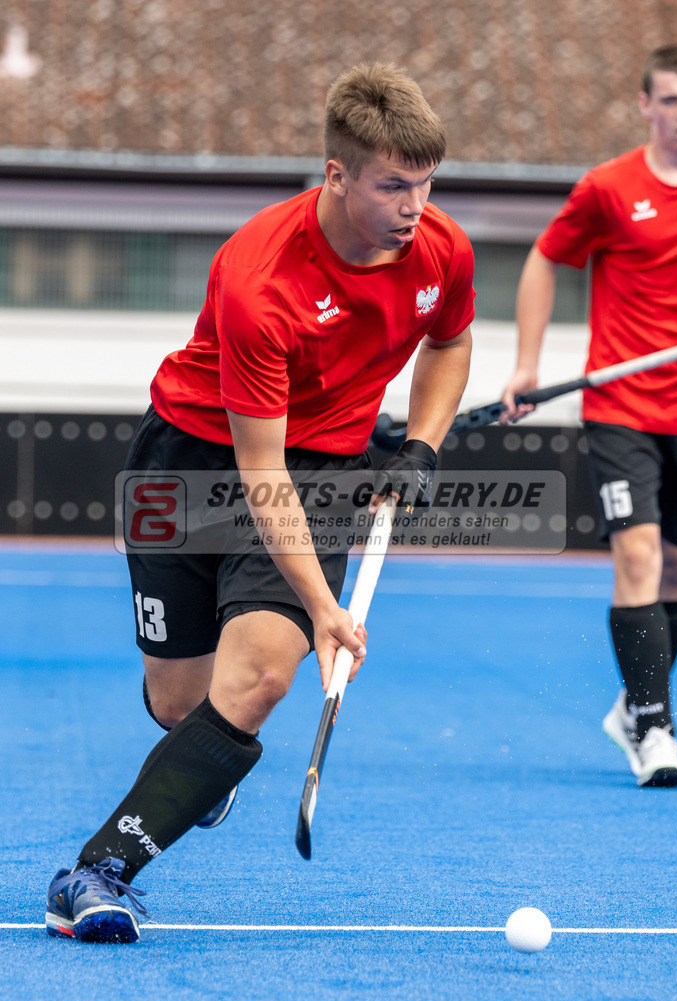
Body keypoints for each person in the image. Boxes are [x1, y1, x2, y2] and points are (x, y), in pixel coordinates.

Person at [45, 62, 475, 943]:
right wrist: (325, 608)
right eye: (392, 185)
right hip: (193, 461)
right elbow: (258, 474)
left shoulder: (440, 249)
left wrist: (422, 445)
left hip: (321, 475)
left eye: (425, 184)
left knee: (259, 680)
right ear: (336, 175)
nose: (413, 207)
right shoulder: (259, 280)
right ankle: (204, 761)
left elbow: (451, 343)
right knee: (180, 704)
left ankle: (95, 872)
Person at [502, 45, 677, 788]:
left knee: (675, 571)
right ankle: (653, 726)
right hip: (622, 408)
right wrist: (526, 361)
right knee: (639, 557)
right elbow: (544, 259)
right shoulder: (608, 189)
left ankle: (632, 705)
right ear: (645, 105)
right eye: (670, 101)